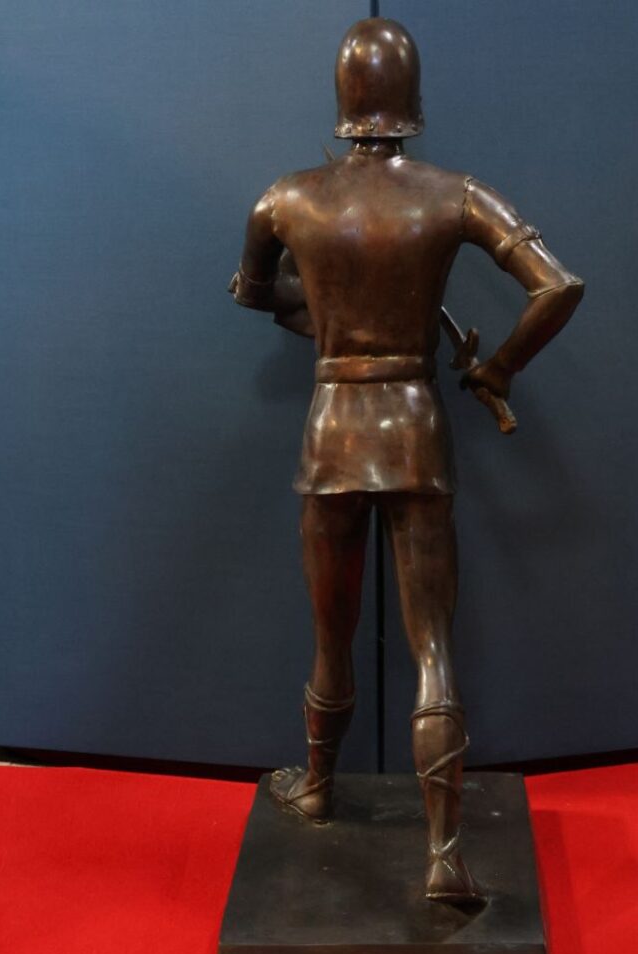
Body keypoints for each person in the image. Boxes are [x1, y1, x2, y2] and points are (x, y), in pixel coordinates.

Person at [229, 17, 583, 905]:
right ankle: (442, 854)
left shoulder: (284, 200)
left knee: (331, 634)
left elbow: (256, 294)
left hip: (332, 431)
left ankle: (318, 785)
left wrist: (319, 312)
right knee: (433, 646)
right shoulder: (454, 195)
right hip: (416, 430)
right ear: (412, 99)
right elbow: (557, 285)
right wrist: (497, 368)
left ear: (343, 98)